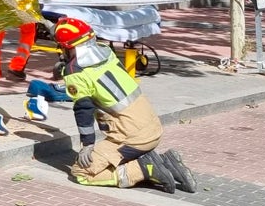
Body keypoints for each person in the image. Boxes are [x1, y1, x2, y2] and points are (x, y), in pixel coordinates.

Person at [53, 17, 197, 193]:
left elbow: (83, 110)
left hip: (132, 138)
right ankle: (167, 162)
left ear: (67, 48)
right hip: (152, 128)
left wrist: (87, 145)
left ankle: (145, 168)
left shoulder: (75, 72)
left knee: (81, 172)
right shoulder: (106, 52)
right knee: (113, 156)